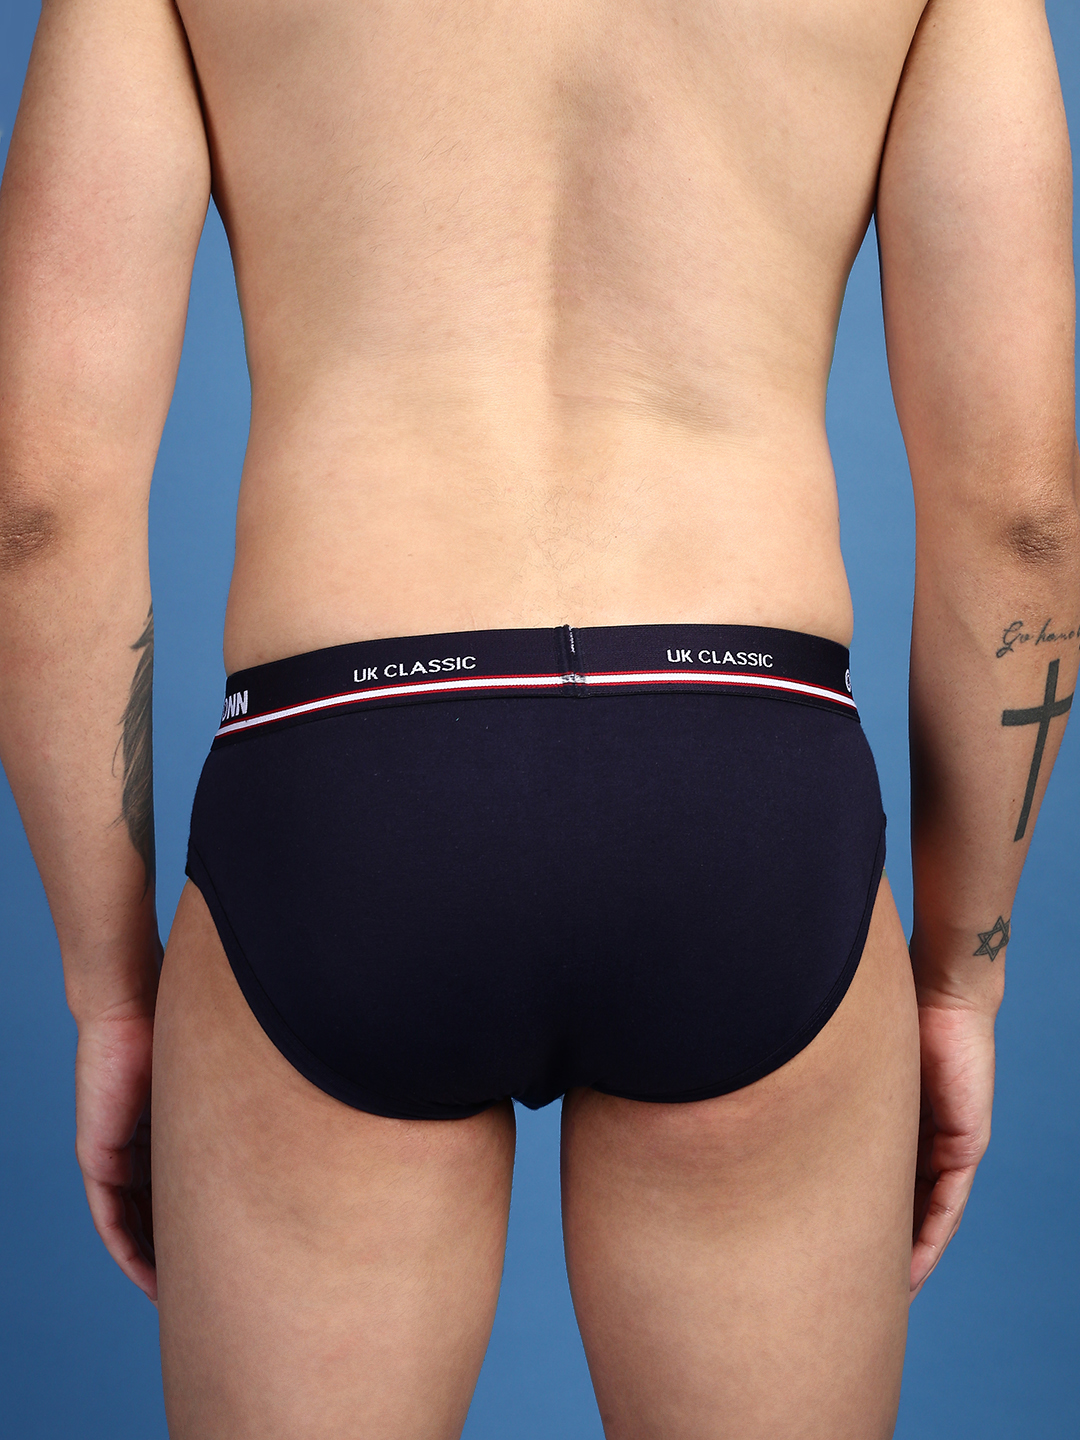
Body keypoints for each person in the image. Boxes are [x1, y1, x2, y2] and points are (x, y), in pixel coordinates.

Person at [0, 0, 1076, 1434]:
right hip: (743, 783)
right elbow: (1022, 517)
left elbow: (36, 505)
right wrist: (960, 977)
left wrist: (110, 990)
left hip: (349, 788)